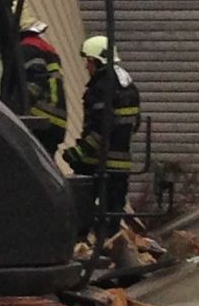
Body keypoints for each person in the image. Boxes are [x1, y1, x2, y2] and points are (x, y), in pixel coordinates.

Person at [62, 35, 140, 215]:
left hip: (96, 163)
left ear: (97, 61)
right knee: (112, 214)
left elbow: (101, 128)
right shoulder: (128, 86)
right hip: (120, 165)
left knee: (81, 212)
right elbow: (134, 124)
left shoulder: (101, 87)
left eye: (88, 61)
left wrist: (78, 153)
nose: (86, 66)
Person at [16, 15, 66, 156]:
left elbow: (35, 85)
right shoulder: (45, 47)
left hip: (39, 119)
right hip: (55, 121)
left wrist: (13, 105)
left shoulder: (28, 48)